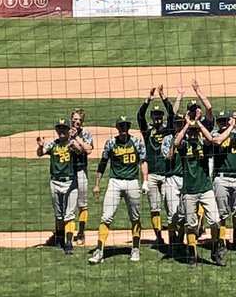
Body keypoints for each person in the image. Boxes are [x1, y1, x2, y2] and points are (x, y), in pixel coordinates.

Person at [88, 116, 148, 264]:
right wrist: (97, 183)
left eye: (126, 126)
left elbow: (143, 161)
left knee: (135, 216)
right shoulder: (111, 143)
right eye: (121, 126)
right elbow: (103, 163)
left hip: (132, 181)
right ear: (117, 127)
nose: (123, 129)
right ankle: (100, 250)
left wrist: (145, 180)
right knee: (106, 216)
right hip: (115, 181)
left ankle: (135, 248)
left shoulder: (136, 142)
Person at [169, 104, 221, 266]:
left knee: (215, 221)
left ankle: (215, 249)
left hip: (206, 189)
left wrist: (197, 124)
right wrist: (187, 125)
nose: (192, 135)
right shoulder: (184, 146)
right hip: (189, 190)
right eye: (190, 133)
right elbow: (176, 143)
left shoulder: (203, 145)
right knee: (190, 225)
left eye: (194, 133)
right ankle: (192, 254)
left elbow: (211, 139)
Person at [210, 109, 236, 262]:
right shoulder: (214, 133)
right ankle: (221, 242)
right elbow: (217, 141)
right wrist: (231, 127)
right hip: (221, 178)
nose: (223, 123)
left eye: (225, 120)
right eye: (220, 121)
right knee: (222, 214)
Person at [139, 86, 177, 250]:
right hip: (153, 175)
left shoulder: (168, 130)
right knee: (154, 208)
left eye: (159, 116)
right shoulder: (147, 131)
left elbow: (173, 114)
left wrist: (163, 97)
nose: (157, 119)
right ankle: (159, 237)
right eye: (154, 116)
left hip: (167, 174)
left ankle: (172, 237)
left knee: (170, 207)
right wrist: (148, 99)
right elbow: (139, 116)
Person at [36, 119, 77, 254]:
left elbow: (80, 150)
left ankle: (69, 242)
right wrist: (41, 146)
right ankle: (60, 238)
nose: (61, 131)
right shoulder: (52, 144)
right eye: (59, 129)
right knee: (59, 214)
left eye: (64, 129)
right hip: (55, 182)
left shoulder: (72, 143)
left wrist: (75, 145)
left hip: (70, 182)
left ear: (68, 130)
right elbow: (40, 153)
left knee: (69, 214)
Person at [68, 108, 94, 244]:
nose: (77, 121)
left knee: (82, 204)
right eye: (75, 119)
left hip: (81, 171)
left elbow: (88, 149)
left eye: (80, 120)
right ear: (71, 119)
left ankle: (81, 232)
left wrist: (77, 138)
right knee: (67, 204)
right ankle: (66, 234)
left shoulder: (86, 134)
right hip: (67, 172)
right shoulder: (64, 133)